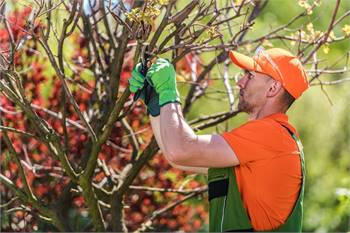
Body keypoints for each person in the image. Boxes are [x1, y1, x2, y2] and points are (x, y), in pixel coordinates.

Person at [129, 47, 309, 232]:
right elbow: (176, 155)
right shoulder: (266, 143)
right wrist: (156, 101)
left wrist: (169, 93)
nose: (240, 82)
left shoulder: (271, 135)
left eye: (250, 76)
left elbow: (181, 149)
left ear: (273, 88)